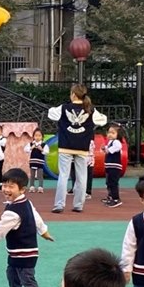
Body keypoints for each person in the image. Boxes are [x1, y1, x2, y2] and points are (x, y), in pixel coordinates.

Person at [49, 84, 105, 213]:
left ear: (73, 94)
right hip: (82, 147)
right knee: (82, 176)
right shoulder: (90, 109)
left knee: (63, 175)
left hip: (66, 146)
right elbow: (103, 120)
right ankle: (79, 204)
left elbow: (51, 113)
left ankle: (59, 204)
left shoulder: (63, 108)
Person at [103, 124, 124, 207]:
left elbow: (118, 147)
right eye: (109, 132)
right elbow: (107, 149)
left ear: (118, 134)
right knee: (109, 182)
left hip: (114, 166)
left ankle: (116, 199)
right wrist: (105, 148)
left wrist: (108, 150)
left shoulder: (116, 142)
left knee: (113, 182)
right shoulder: (110, 142)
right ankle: (111, 196)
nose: (110, 134)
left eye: (113, 133)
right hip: (109, 165)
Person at [24, 128, 46, 193]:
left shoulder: (43, 144)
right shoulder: (31, 144)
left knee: (40, 175)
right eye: (36, 135)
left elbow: (46, 152)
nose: (37, 137)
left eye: (39, 135)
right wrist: (31, 148)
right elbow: (25, 150)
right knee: (32, 175)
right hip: (33, 161)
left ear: (42, 137)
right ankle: (32, 187)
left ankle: (40, 187)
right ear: (33, 136)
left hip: (40, 162)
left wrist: (41, 149)